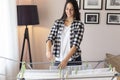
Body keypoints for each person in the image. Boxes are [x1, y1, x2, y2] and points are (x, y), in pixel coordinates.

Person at [46, 0, 84, 69]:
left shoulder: (79, 25)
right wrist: (48, 51)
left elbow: (75, 45)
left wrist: (65, 60)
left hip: (74, 60)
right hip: (58, 60)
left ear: (75, 10)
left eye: (71, 9)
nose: (68, 11)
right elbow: (50, 38)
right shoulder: (57, 23)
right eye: (67, 9)